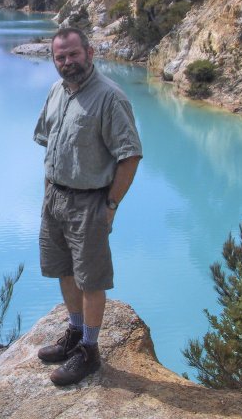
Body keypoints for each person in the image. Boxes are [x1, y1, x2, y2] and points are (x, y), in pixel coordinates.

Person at [33, 27, 142, 386]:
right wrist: (48, 190)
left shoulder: (110, 98)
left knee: (90, 279)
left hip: (89, 202)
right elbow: (49, 143)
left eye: (73, 55)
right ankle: (75, 333)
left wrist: (110, 205)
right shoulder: (56, 91)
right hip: (55, 198)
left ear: (90, 53)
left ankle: (90, 351)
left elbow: (130, 157)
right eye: (60, 57)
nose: (67, 62)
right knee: (65, 270)